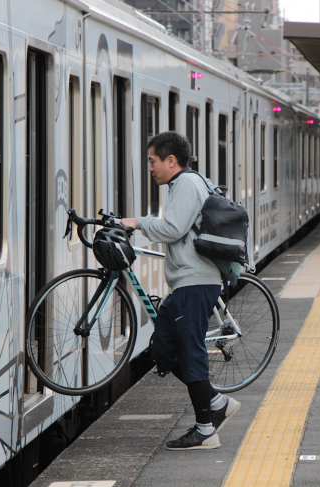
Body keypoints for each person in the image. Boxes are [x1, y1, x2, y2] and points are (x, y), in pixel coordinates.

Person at [120, 132, 240, 450]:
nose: (150, 167)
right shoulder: (183, 184)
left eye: (153, 161)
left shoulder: (186, 184)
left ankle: (205, 430)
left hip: (196, 280)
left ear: (170, 161)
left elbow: (173, 229)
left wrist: (135, 222)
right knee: (163, 347)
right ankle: (215, 404)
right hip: (185, 282)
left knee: (190, 351)